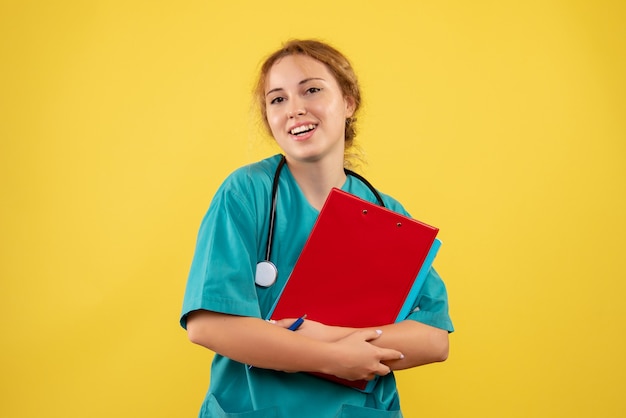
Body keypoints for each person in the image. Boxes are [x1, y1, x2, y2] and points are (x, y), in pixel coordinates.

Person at [180, 39, 454, 418]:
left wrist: (323, 335)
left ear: (348, 101)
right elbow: (209, 325)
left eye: (311, 90)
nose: (295, 109)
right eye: (277, 99)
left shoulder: (386, 212)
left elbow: (432, 338)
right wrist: (332, 357)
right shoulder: (246, 193)